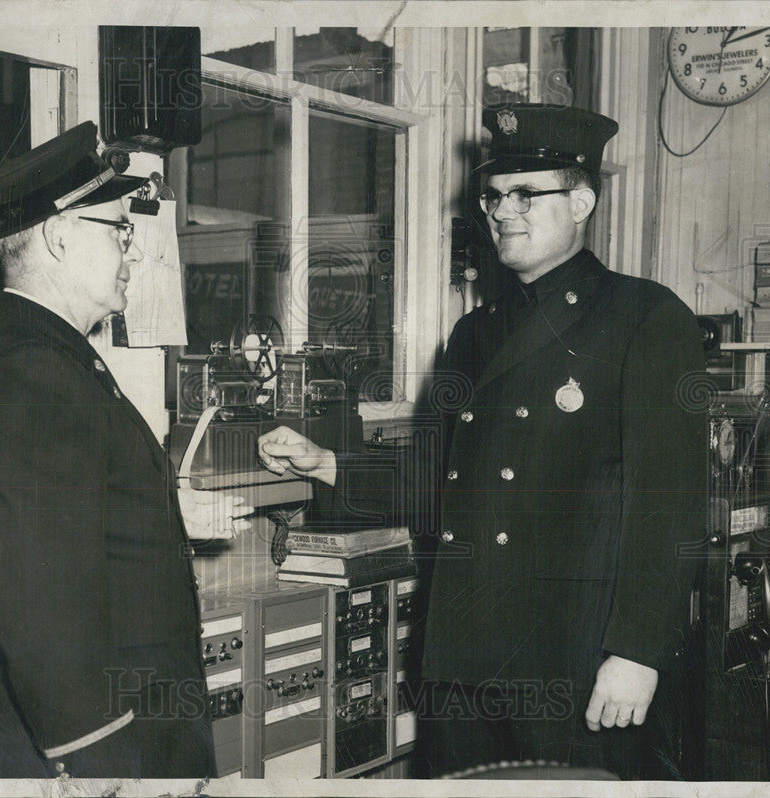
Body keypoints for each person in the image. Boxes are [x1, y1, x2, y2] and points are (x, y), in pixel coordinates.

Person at [257, 104, 707, 779]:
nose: (504, 210)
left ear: (581, 201)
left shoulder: (644, 317)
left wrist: (638, 653)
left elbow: (669, 505)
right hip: (466, 654)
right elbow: (434, 482)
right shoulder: (474, 335)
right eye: (494, 195)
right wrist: (323, 463)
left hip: (576, 659)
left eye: (529, 192)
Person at [0, 121, 252, 778]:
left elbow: (61, 526)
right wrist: (94, 756)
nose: (132, 253)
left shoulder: (32, 350)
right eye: (121, 229)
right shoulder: (34, 369)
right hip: (97, 746)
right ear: (58, 237)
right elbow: (38, 600)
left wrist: (161, 511)